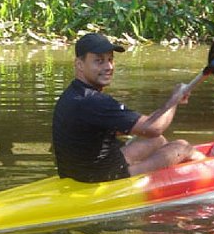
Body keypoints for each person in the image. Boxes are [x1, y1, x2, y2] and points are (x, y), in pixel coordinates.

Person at [52, 33, 203, 183]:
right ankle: (211, 163)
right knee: (182, 146)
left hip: (77, 174)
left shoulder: (72, 94)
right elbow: (154, 128)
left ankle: (167, 166)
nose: (109, 67)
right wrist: (174, 100)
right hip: (104, 178)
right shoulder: (94, 101)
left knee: (156, 141)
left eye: (110, 60)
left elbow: (147, 130)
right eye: (99, 61)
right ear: (79, 64)